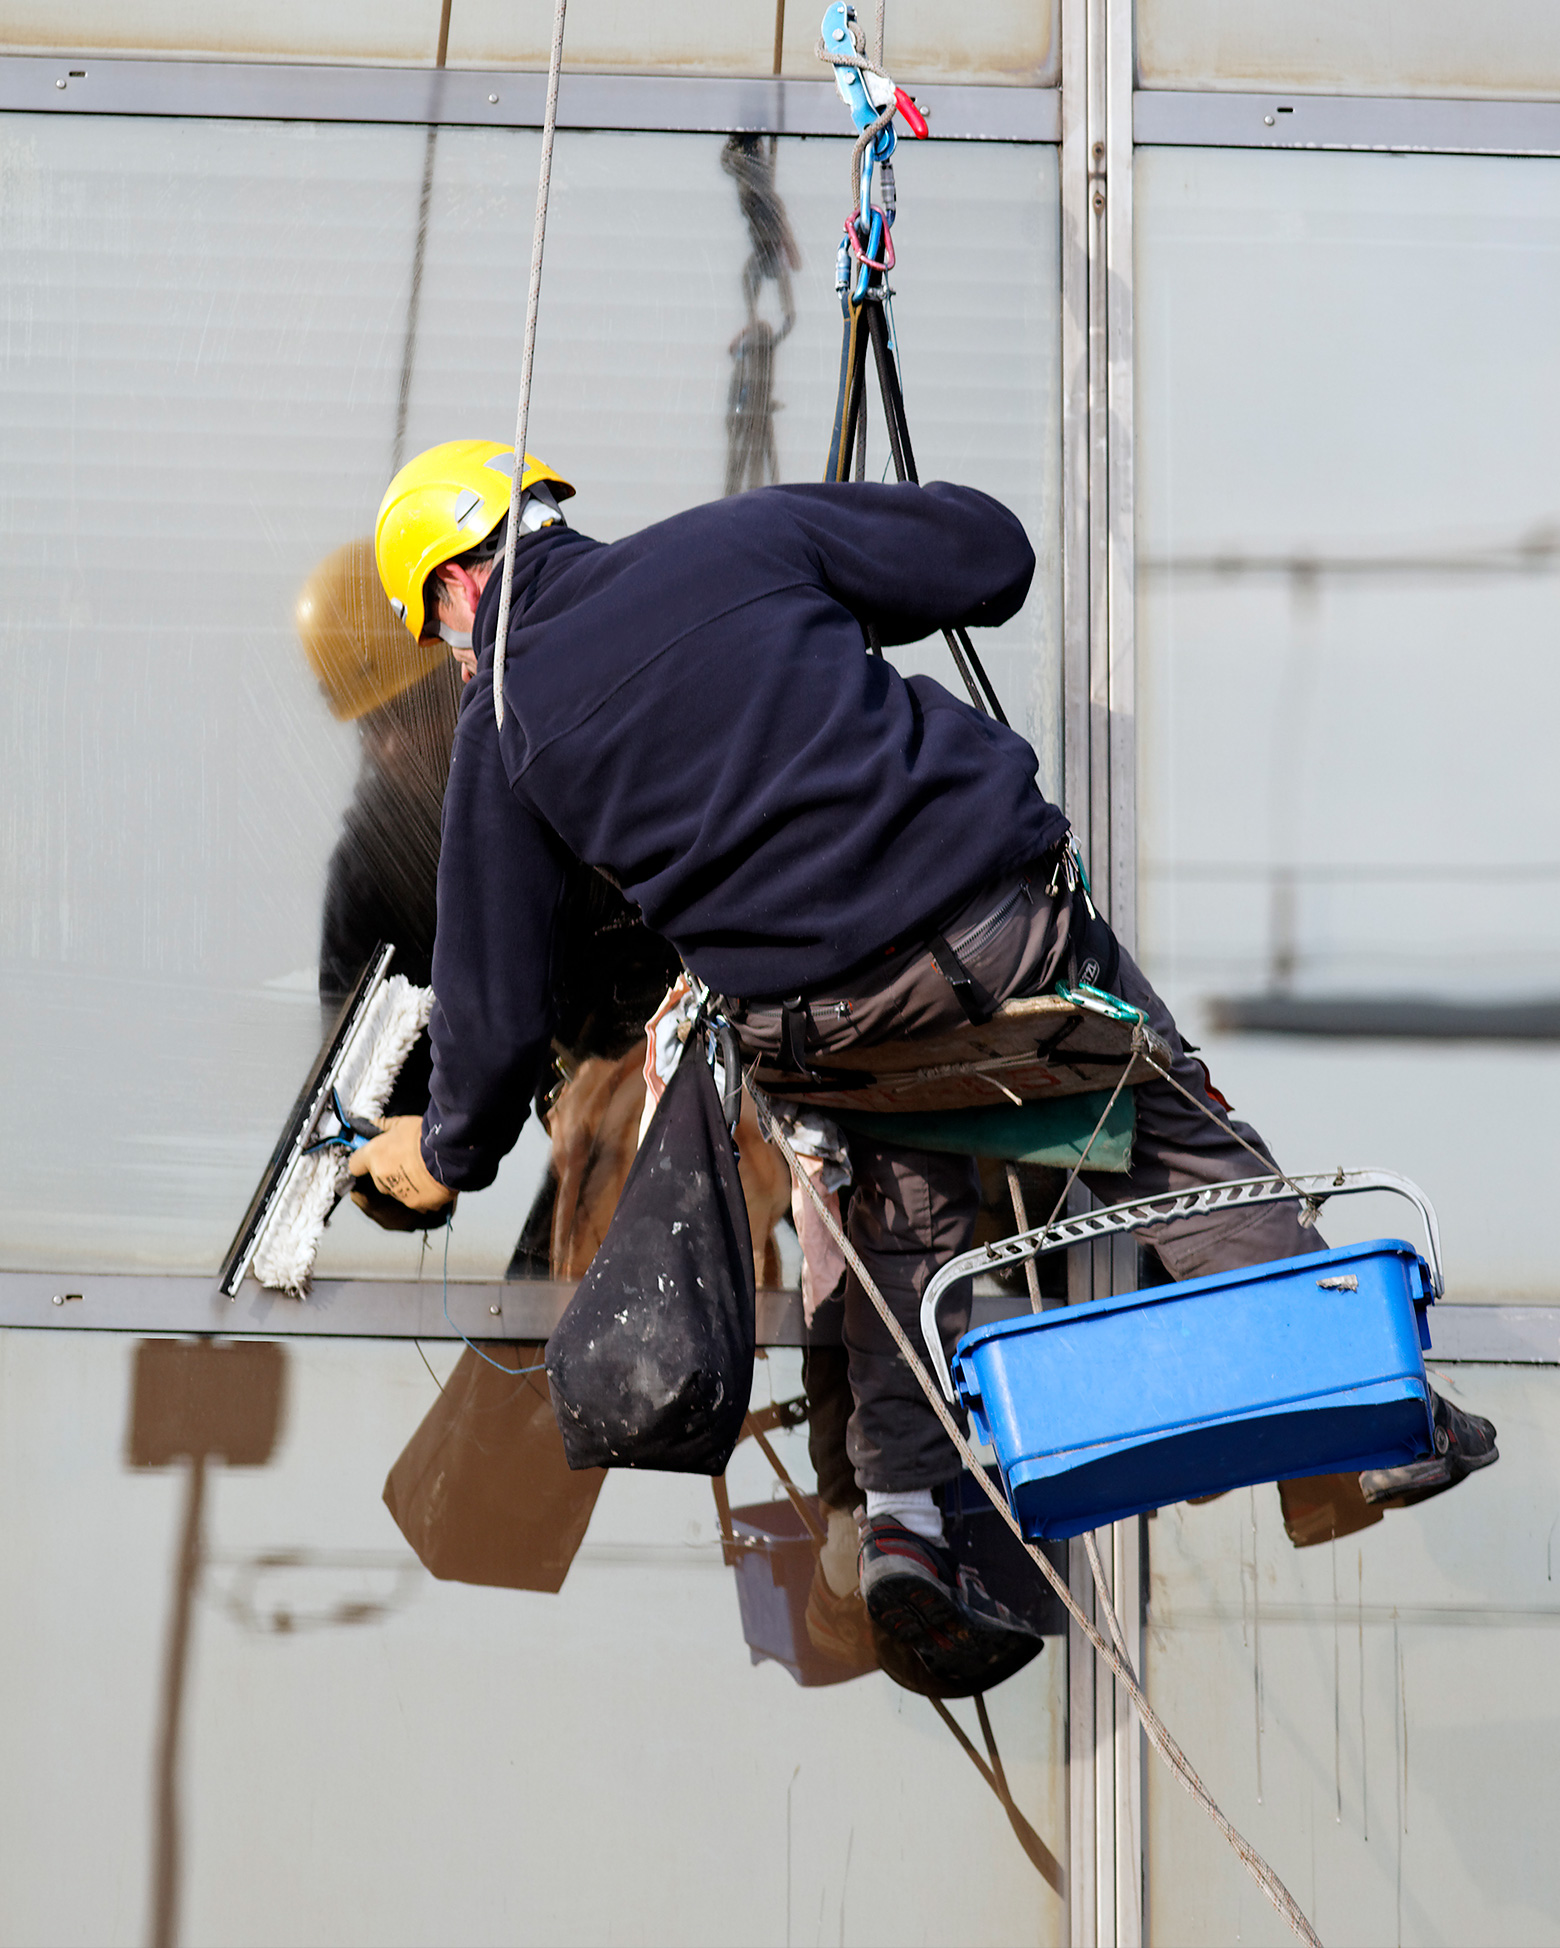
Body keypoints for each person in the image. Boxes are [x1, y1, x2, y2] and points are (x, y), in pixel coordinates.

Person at [352, 438, 1500, 1688]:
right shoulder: (737, 541)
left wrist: (447, 1152)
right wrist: (822, 587)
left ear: (457, 581)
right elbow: (991, 553)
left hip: (821, 1030)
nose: (452, 659)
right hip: (992, 945)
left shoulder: (505, 718)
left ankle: (902, 1518)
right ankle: (1365, 1411)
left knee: (903, 1222)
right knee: (1169, 1141)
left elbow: (493, 993)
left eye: (437, 632)